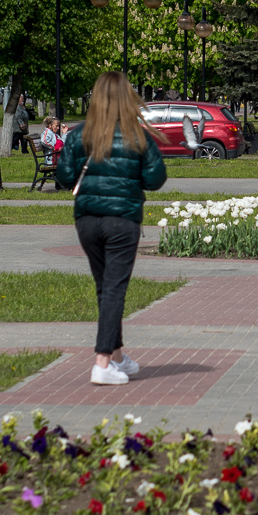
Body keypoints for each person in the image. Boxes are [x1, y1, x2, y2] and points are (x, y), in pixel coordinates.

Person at [58, 71, 168, 383]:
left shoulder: (79, 135)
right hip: (123, 219)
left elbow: (65, 178)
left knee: (106, 287)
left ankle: (117, 356)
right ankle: (102, 363)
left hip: (87, 220)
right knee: (114, 289)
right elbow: (155, 179)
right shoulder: (139, 136)